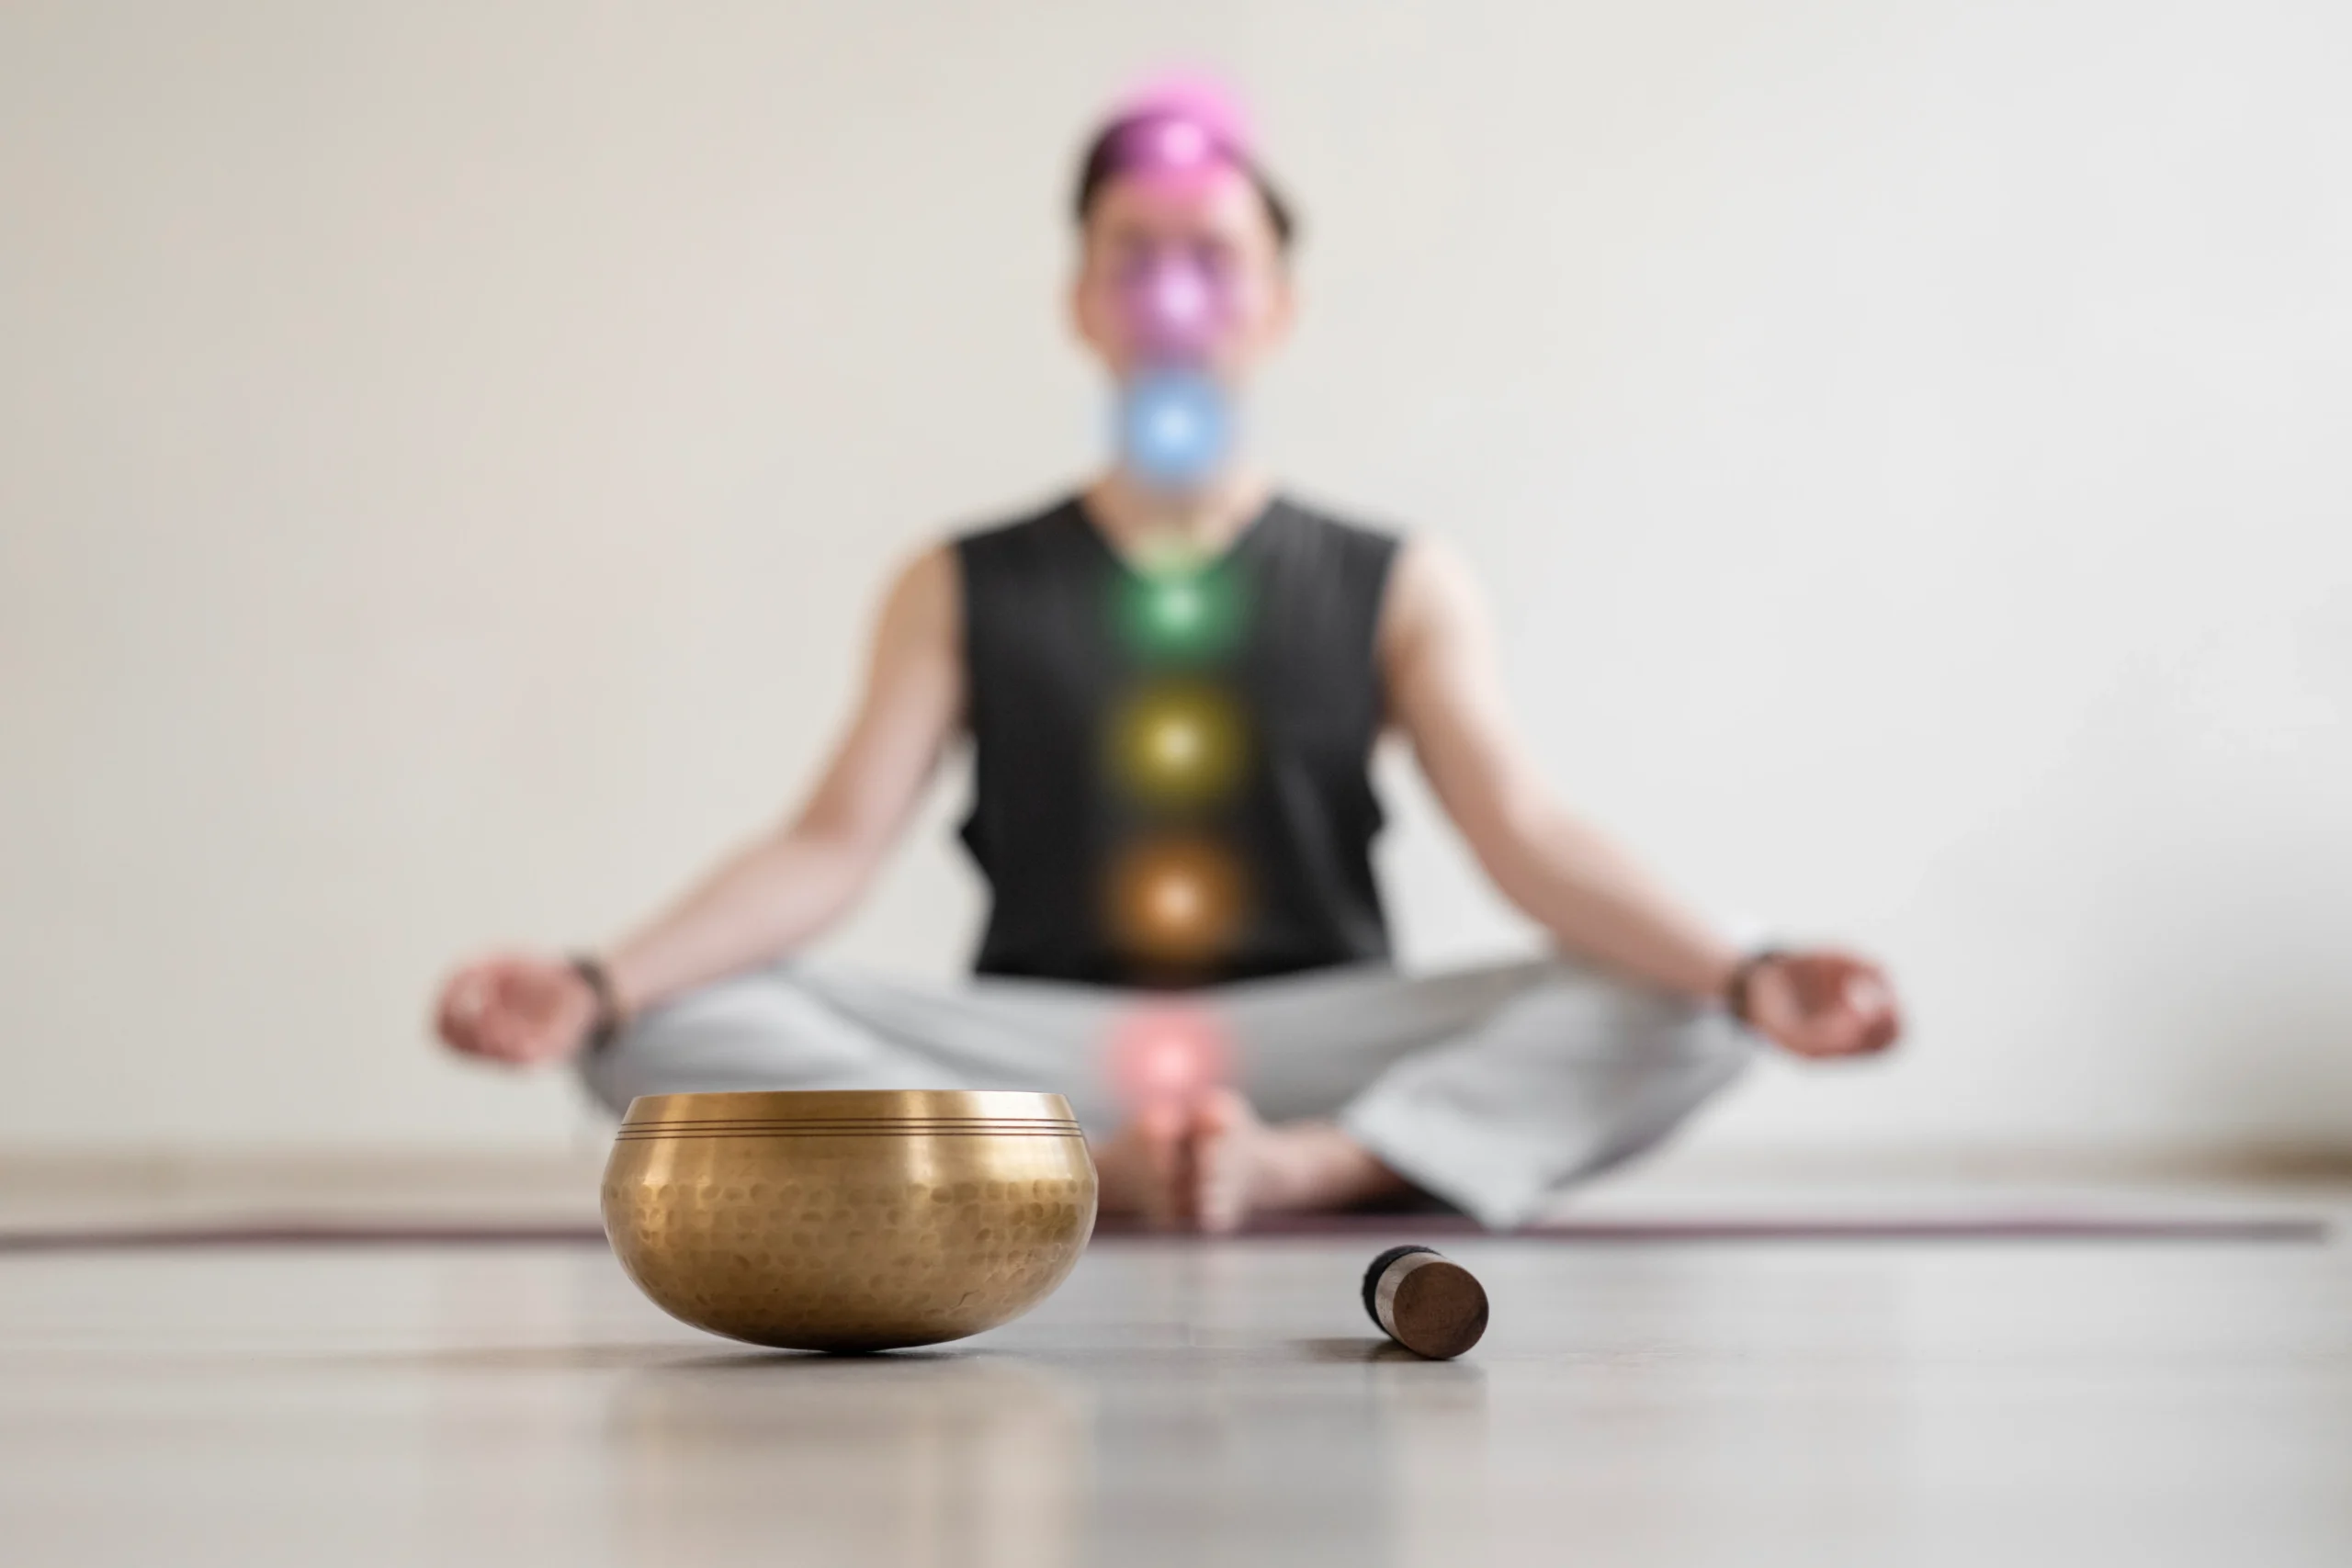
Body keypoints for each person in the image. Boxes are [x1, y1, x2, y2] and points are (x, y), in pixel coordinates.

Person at [432, 85, 1902, 1233]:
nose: (1173, 290)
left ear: (1279, 303)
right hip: (1044, 1051)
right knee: (655, 1031)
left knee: (1693, 999)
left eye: (1213, 256)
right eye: (1134, 256)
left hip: (1319, 1043)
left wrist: (1748, 971)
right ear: (1080, 300)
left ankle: (1311, 1168)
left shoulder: (1400, 581)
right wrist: (595, 982)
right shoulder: (957, 580)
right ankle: (1086, 1166)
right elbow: (827, 847)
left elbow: (1525, 832)